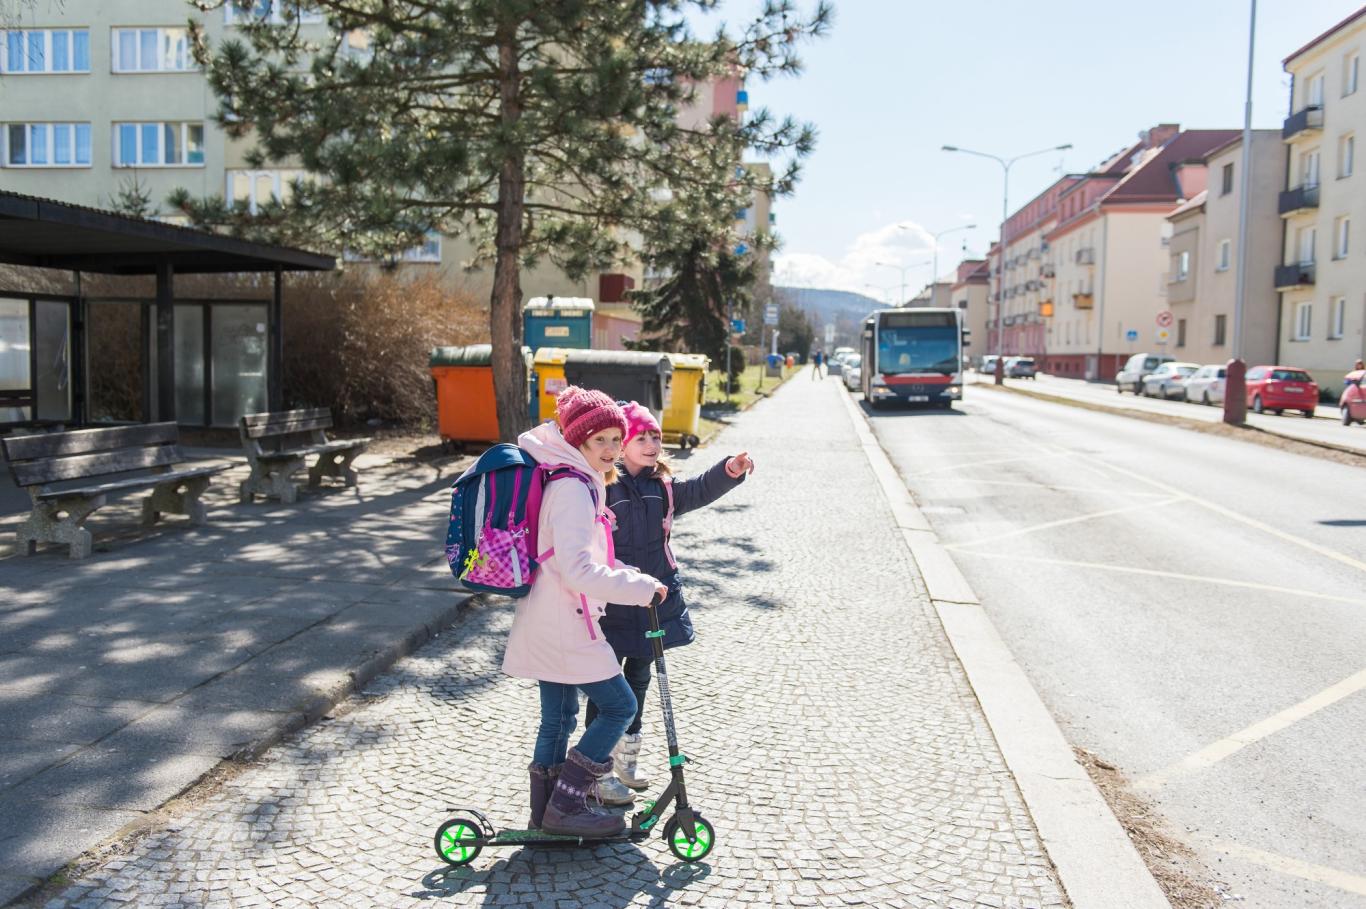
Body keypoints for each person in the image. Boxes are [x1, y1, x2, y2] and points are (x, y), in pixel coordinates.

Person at [503, 386, 669, 837]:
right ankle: (567, 804)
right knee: (619, 706)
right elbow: (578, 571)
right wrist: (636, 587)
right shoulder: (574, 488)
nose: (612, 450)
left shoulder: (576, 479)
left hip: (550, 615)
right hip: (566, 621)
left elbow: (585, 557)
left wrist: (632, 574)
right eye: (602, 441)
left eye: (617, 439)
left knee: (558, 719)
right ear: (579, 441)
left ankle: (545, 813)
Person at [584, 401, 754, 804]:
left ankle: (627, 757)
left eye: (656, 436)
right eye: (641, 437)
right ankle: (595, 767)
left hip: (652, 601)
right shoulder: (603, 485)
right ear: (621, 444)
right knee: (607, 687)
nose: (650, 443)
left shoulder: (661, 486)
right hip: (614, 600)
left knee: (640, 676)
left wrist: (729, 470)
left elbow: (696, 489)